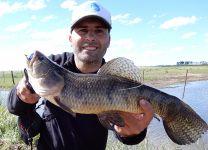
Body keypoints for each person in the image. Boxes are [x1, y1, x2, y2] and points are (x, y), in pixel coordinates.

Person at [7, 1, 154, 150]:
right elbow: (14, 108)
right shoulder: (55, 64)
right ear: (70, 38)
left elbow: (128, 135)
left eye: (99, 30)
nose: (90, 37)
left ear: (109, 39)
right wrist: (22, 93)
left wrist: (132, 134)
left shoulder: (114, 77)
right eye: (83, 30)